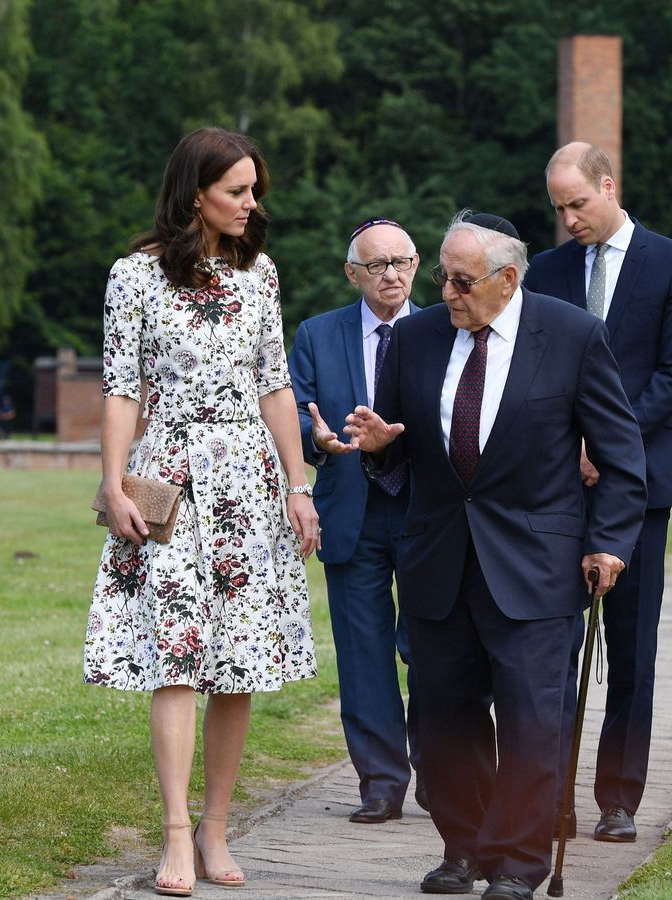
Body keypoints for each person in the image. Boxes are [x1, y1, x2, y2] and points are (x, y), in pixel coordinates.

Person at [345, 211, 646, 900]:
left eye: (463, 281)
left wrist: (608, 542)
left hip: (536, 566)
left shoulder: (571, 336)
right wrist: (379, 448)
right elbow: (394, 450)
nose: (446, 293)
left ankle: (516, 861)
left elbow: (622, 457)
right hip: (439, 561)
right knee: (440, 721)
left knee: (532, 722)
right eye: (442, 277)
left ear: (507, 279)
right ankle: (464, 845)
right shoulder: (415, 338)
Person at [83, 126, 319, 897]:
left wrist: (298, 485)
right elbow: (121, 388)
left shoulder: (261, 274)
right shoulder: (134, 276)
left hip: (249, 484)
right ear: (195, 196)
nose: (252, 205)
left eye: (255, 191)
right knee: (177, 655)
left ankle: (217, 828)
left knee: (237, 662)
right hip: (173, 481)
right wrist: (114, 484)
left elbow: (275, 384)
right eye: (237, 191)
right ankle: (177, 833)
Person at [523, 142, 672, 844]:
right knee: (552, 649)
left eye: (577, 203)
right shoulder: (545, 271)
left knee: (630, 649)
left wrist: (606, 444)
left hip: (640, 485)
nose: (569, 219)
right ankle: (552, 796)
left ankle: (619, 799)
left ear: (608, 186)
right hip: (558, 485)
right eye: (558, 208)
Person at [288, 217, 422, 823]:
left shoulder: (444, 328)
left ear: (415, 265)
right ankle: (381, 784)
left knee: (432, 650)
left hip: (427, 512)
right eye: (376, 265)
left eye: (401, 262)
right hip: (351, 511)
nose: (391, 274)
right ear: (352, 274)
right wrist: (314, 439)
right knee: (363, 654)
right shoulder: (318, 334)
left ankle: (442, 775)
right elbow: (292, 411)